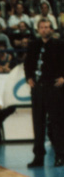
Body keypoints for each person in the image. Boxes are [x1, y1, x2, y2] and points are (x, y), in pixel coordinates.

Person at [24, 19, 64, 167]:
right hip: (38, 89)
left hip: (54, 88)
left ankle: (60, 155)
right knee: (38, 124)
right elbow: (27, 64)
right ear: (38, 30)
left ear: (51, 29)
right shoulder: (33, 45)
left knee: (57, 123)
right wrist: (28, 77)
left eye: (47, 27)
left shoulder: (59, 44)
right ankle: (38, 157)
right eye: (41, 27)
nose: (44, 29)